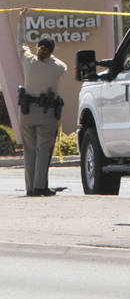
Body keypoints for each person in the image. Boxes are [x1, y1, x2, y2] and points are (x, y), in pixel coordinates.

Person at [18, 22, 67, 197]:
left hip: (26, 112)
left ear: (38, 47)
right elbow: (63, 65)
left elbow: (20, 42)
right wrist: (49, 56)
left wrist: (21, 20)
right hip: (46, 113)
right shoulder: (57, 67)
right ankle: (40, 186)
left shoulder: (28, 60)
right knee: (43, 150)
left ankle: (30, 188)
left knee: (29, 151)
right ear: (52, 52)